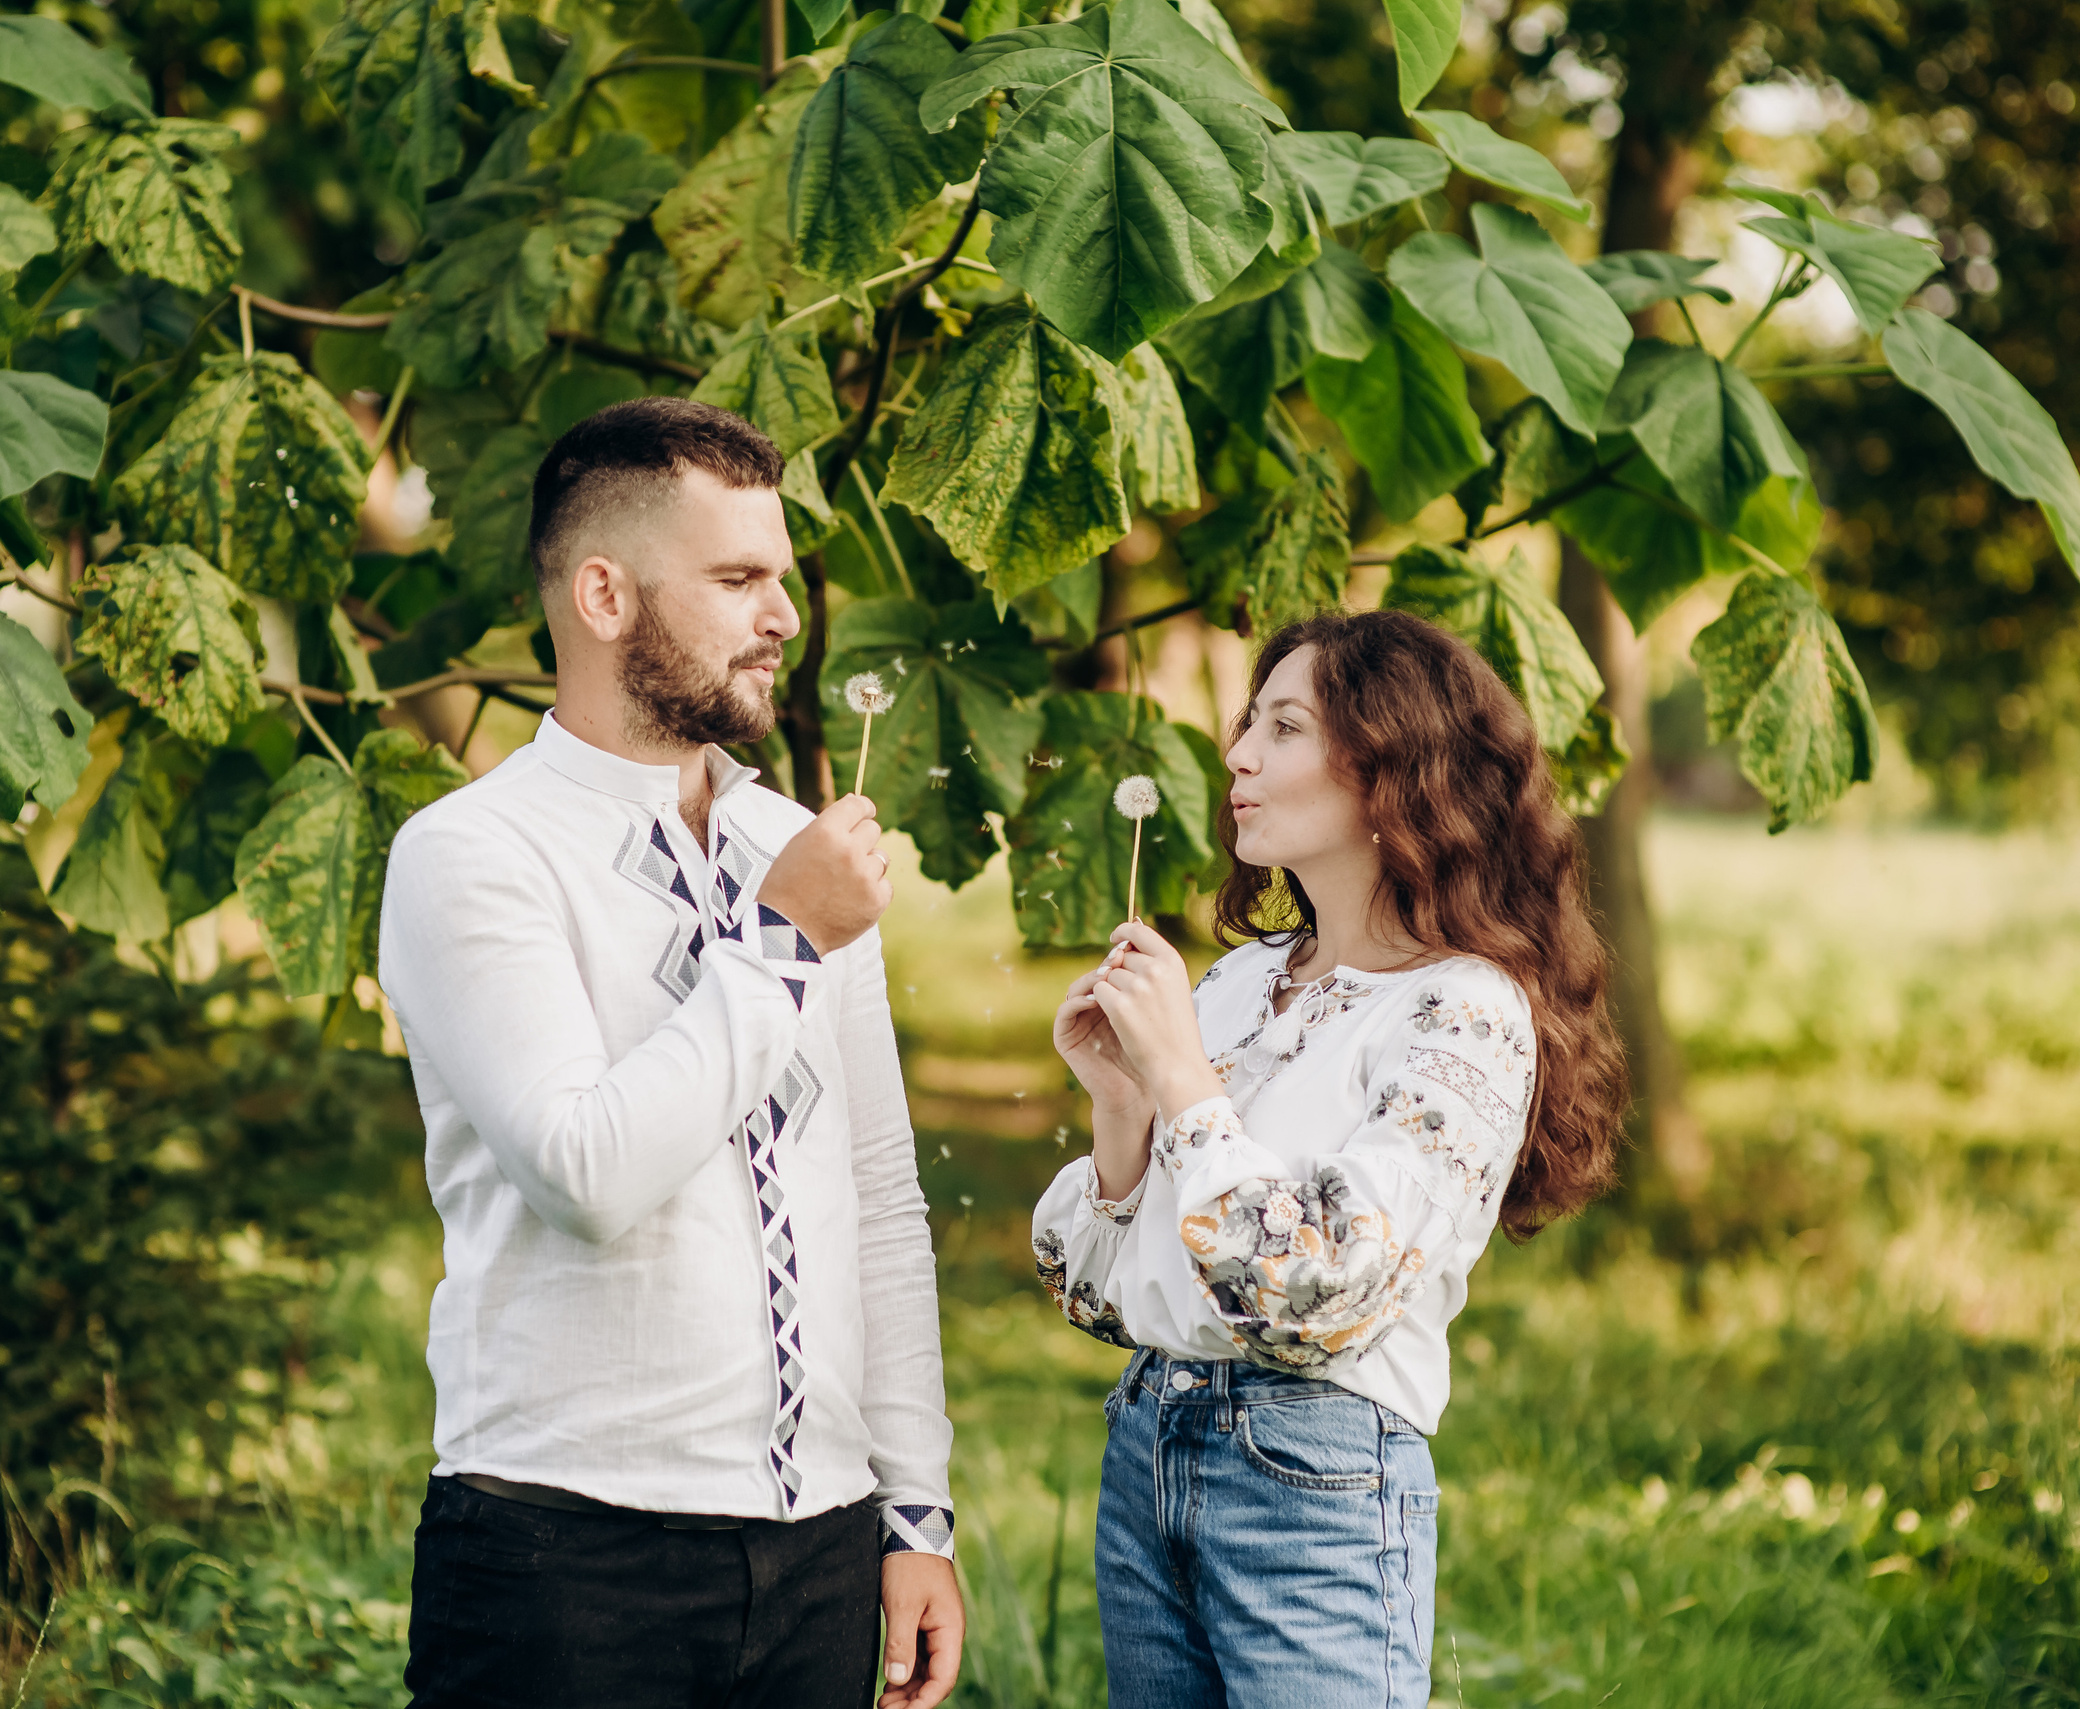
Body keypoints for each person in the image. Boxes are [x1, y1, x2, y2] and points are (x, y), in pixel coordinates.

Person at [380, 398, 963, 1708]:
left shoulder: (795, 847)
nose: (785, 615)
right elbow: (581, 1171)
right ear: (604, 594)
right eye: (738, 579)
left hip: (821, 1550)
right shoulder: (472, 853)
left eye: (782, 578)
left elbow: (879, 1197)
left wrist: (913, 1510)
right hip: (566, 1557)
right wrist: (785, 939)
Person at [1035, 610, 1627, 1708]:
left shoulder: (1462, 1011)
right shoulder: (1235, 982)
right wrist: (1122, 1106)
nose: (1238, 754)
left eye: (1285, 726)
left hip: (1312, 1474)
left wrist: (1185, 1084)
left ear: (1391, 770)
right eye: (1248, 721)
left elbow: (1314, 1295)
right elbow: (1099, 1295)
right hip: (1147, 1442)